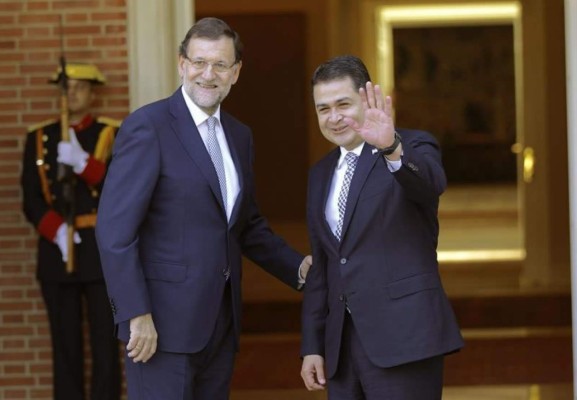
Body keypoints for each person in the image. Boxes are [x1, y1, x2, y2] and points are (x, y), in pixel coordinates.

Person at [95, 17, 312, 400]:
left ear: (236, 72)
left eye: (220, 65)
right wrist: (134, 314)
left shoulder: (239, 136)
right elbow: (114, 233)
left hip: (220, 327)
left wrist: (298, 268)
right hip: (158, 329)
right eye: (199, 62)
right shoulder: (148, 127)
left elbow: (245, 225)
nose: (208, 74)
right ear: (182, 64)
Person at [300, 55, 464, 399]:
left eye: (343, 104)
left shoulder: (411, 146)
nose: (334, 117)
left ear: (367, 99)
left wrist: (391, 147)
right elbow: (324, 266)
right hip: (341, 349)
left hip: (405, 337)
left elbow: (430, 184)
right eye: (323, 108)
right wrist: (312, 345)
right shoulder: (319, 173)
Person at [20, 63, 121, 400]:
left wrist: (84, 164)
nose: (72, 93)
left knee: (105, 342)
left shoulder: (110, 134)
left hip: (100, 252)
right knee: (64, 345)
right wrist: (57, 231)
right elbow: (31, 198)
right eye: (67, 87)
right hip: (57, 250)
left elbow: (121, 191)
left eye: (80, 87)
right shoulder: (39, 138)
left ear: (93, 94)